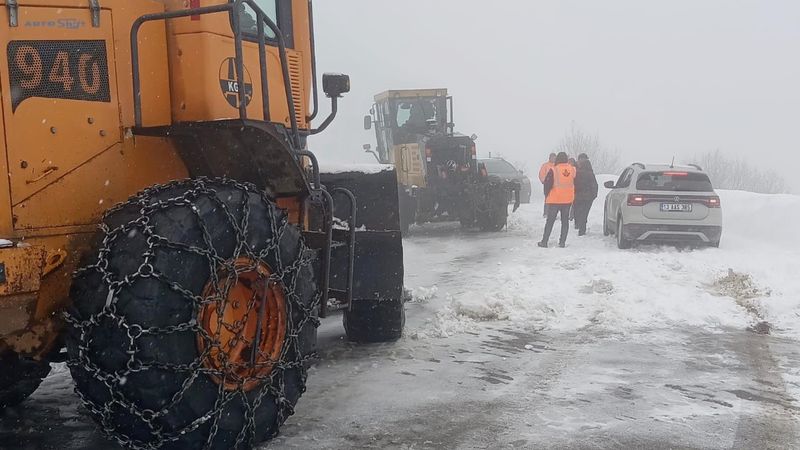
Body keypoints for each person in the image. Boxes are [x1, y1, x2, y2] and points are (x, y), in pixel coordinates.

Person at [539, 152, 576, 248]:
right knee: (565, 221)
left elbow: (547, 184)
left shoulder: (553, 170)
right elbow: (576, 181)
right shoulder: (572, 170)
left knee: (550, 221)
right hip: (567, 200)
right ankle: (562, 242)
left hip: (555, 199)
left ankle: (544, 241)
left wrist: (547, 195)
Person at [573, 159, 599, 236]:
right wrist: (593, 196)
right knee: (584, 213)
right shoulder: (591, 174)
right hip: (588, 198)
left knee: (578, 211)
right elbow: (594, 186)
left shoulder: (577, 173)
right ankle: (582, 229)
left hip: (578, 196)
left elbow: (574, 184)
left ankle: (577, 224)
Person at [538, 153, 556, 217]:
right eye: (552, 157)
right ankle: (546, 213)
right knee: (547, 199)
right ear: (549, 158)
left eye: (554, 157)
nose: (553, 159)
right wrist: (544, 182)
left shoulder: (557, 166)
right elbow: (541, 174)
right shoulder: (545, 165)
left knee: (554, 200)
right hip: (547, 186)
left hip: (556, 186)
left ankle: (552, 213)